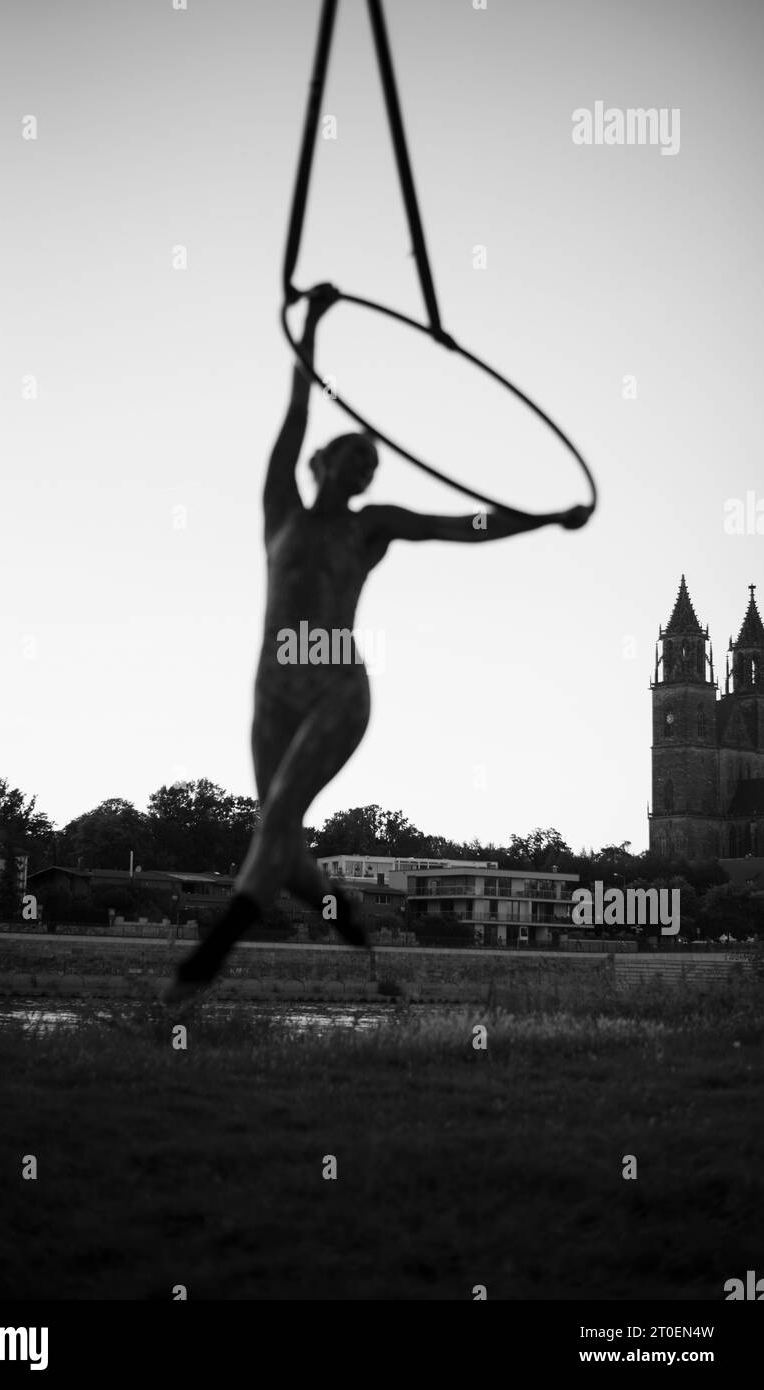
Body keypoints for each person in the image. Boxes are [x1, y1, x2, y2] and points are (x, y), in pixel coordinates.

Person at [163, 283, 590, 1005]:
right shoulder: (280, 510)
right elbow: (294, 412)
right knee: (288, 847)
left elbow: (464, 527)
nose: (365, 469)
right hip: (272, 681)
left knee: (272, 821)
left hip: (333, 678)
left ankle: (202, 967)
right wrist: (315, 327)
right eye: (355, 456)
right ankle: (353, 926)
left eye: (372, 465)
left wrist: (546, 518)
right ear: (324, 462)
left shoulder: (372, 525)